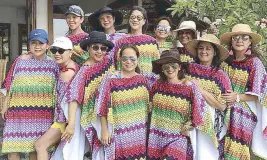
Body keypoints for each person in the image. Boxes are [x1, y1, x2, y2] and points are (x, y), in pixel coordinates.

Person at [0, 29, 59, 160]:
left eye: (41, 43)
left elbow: (58, 90)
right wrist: (5, 106)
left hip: (42, 115)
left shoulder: (54, 65)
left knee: (34, 150)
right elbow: (10, 84)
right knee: (12, 148)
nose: (37, 46)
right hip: (16, 112)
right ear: (29, 45)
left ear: (47, 45)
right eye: (33, 43)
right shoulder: (20, 61)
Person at [63, 31, 114, 160]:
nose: (99, 51)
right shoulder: (85, 71)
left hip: (112, 113)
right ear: (88, 48)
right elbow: (74, 97)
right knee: (98, 152)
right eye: (95, 47)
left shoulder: (109, 63)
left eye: (103, 48)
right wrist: (71, 124)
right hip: (93, 116)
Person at [147, 49, 206, 159]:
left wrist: (189, 126)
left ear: (179, 66)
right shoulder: (156, 86)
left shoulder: (189, 86)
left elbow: (201, 109)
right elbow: (148, 107)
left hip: (178, 137)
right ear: (161, 68)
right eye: (166, 66)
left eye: (173, 65)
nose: (170, 69)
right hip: (156, 137)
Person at [220, 24, 267, 159]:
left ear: (250, 42)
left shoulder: (254, 63)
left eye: (244, 38)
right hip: (223, 107)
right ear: (231, 41)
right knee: (220, 148)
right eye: (236, 37)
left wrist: (237, 97)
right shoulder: (225, 62)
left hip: (244, 112)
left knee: (236, 150)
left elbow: (260, 93)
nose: (240, 41)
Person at [96, 44, 149, 160]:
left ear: (138, 59)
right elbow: (102, 105)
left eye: (132, 58)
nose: (128, 62)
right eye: (125, 58)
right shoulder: (111, 79)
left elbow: (149, 108)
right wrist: (104, 130)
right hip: (118, 133)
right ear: (119, 59)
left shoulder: (143, 80)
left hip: (140, 135)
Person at [184, 34, 232, 160]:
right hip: (187, 122)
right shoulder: (187, 69)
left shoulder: (220, 75)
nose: (204, 51)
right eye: (201, 48)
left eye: (208, 48)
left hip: (211, 124)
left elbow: (222, 106)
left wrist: (200, 90)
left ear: (214, 52)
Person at [34, 37, 79, 160]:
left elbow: (71, 99)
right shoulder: (69, 67)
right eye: (54, 51)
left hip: (64, 120)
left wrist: (70, 124)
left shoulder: (67, 73)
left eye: (61, 50)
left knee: (40, 145)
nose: (57, 54)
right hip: (63, 118)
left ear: (70, 53)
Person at [113, 6, 160, 86]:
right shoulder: (121, 42)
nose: (135, 20)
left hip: (147, 85)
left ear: (144, 21)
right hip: (124, 85)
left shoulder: (152, 42)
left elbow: (157, 66)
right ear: (129, 20)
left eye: (139, 18)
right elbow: (116, 64)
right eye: (132, 17)